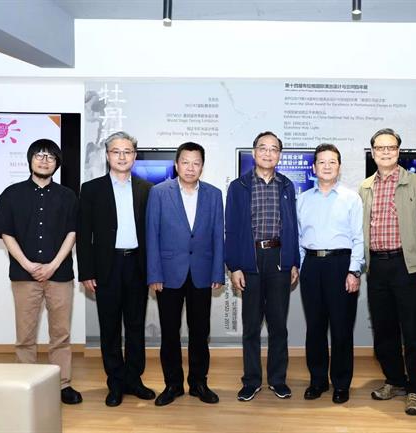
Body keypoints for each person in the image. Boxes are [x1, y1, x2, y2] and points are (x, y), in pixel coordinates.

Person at [0, 139, 82, 404]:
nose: (44, 160)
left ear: (57, 164)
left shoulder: (68, 196)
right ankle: (24, 384)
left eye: (50, 157)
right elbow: (6, 233)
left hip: (60, 275)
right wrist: (28, 265)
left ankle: (63, 384)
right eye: (39, 155)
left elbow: (72, 233)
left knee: (61, 335)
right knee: (25, 336)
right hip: (23, 275)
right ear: (30, 160)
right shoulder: (11, 194)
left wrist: (53, 265)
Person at [77, 131, 155, 407]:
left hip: (137, 265)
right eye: (116, 151)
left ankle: (134, 379)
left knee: (135, 326)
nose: (122, 157)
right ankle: (115, 382)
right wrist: (86, 271)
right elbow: (84, 235)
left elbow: (153, 234)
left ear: (135, 156)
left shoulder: (147, 189)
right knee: (109, 327)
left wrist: (154, 271)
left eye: (127, 151)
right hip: (106, 266)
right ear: (107, 155)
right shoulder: (91, 189)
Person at [358, 128, 416, 415]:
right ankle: (395, 380)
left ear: (398, 151)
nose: (385, 152)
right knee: (383, 329)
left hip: (407, 265)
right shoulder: (365, 187)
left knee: (412, 330)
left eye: (391, 147)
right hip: (377, 266)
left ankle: (415, 389)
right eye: (380, 148)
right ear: (373, 152)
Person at [146, 142, 224, 406]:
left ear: (202, 166)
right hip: (168, 273)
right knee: (170, 332)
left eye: (196, 163)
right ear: (176, 164)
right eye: (186, 162)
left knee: (200, 332)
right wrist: (154, 274)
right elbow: (152, 235)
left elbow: (218, 235)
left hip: (202, 272)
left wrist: (218, 272)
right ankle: (173, 384)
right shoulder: (159, 192)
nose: (191, 168)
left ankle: (199, 383)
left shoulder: (214, 194)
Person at [225, 131, 300, 401]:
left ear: (279, 154)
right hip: (250, 259)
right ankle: (252, 381)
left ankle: (278, 380)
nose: (268, 153)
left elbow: (292, 227)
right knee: (251, 326)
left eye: (274, 149)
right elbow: (231, 228)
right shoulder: (239, 186)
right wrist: (234, 266)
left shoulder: (287, 185)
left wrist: (293, 261)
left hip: (279, 259)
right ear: (254, 152)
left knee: (279, 325)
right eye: (263, 148)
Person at [297, 144, 364, 404]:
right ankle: (317, 381)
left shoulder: (351, 198)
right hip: (312, 266)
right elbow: (299, 238)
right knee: (314, 328)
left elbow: (358, 238)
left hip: (341, 265)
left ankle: (341, 383)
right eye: (322, 162)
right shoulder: (302, 199)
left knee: (341, 328)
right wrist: (301, 267)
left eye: (332, 162)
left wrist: (354, 270)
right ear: (314, 167)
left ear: (339, 167)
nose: (327, 166)